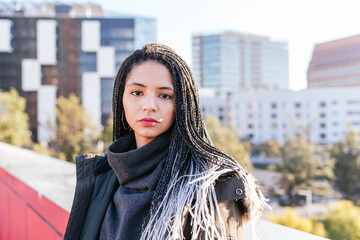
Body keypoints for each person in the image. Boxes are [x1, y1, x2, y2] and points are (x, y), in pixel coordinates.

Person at [64, 43, 270, 240]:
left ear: (183, 105)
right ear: (121, 99)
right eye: (137, 92)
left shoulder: (210, 186)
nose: (149, 105)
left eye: (164, 95)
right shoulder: (103, 176)